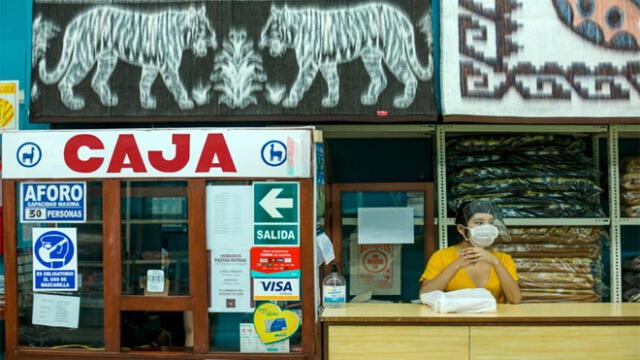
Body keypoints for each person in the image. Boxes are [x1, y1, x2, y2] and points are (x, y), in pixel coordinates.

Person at [419, 199, 521, 304]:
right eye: (479, 222)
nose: (487, 227)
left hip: (493, 319)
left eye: (491, 222)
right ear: (461, 229)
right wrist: (455, 265)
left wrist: (496, 263)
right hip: (453, 318)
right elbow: (425, 296)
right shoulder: (441, 257)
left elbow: (515, 300)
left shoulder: (503, 259)